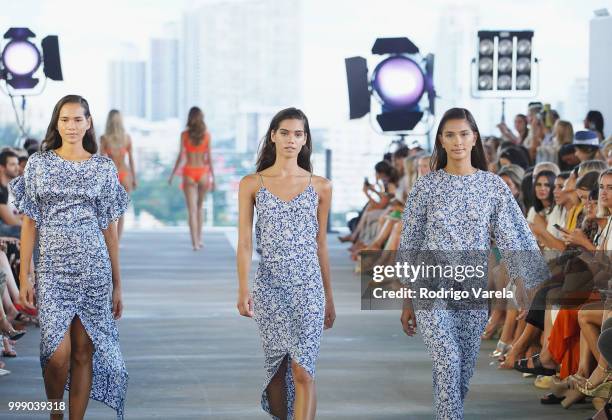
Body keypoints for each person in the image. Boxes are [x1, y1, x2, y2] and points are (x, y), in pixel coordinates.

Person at [398, 107, 547, 420]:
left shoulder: (492, 187)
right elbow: (409, 244)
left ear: (475, 137)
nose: (457, 141)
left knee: (460, 372)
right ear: (440, 140)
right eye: (450, 135)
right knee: (448, 360)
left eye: (464, 134)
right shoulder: (426, 186)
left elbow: (513, 236)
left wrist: (525, 286)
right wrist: (406, 298)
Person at [10, 95, 129, 419]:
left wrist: (118, 284)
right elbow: (29, 223)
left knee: (82, 353)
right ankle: (54, 412)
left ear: (89, 123)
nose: (72, 126)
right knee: (57, 354)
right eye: (65, 119)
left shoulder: (103, 167)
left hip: (94, 271)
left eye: (78, 119)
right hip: (52, 272)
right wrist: (25, 276)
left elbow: (110, 232)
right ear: (56, 123)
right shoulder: (39, 164)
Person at [236, 107, 335, 420]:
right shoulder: (252, 183)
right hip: (270, 288)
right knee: (276, 373)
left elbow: (321, 244)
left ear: (305, 140)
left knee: (303, 371)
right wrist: (242, 289)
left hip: (309, 289)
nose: (292, 139)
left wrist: (329, 297)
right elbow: (245, 242)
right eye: (285, 133)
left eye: (298, 134)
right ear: (273, 136)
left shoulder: (321, 186)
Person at [169, 106, 215, 250]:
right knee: (200, 208)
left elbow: (180, 156)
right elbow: (209, 158)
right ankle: (200, 239)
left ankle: (194, 242)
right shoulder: (206, 135)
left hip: (189, 172)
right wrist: (213, 177)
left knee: (192, 210)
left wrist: (172, 174)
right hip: (202, 173)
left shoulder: (184, 135)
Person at [100, 110, 136, 240]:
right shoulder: (126, 138)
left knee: (109, 211)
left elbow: (102, 161)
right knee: (121, 212)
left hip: (111, 177)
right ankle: (117, 241)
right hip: (125, 174)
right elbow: (131, 159)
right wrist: (134, 178)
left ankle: (111, 239)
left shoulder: (104, 139)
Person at [0, 150, 22, 238]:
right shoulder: (0, 191)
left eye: (17, 164)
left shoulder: (7, 187)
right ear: (1, 167)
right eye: (12, 164)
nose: (17, 168)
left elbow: (13, 217)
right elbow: (10, 221)